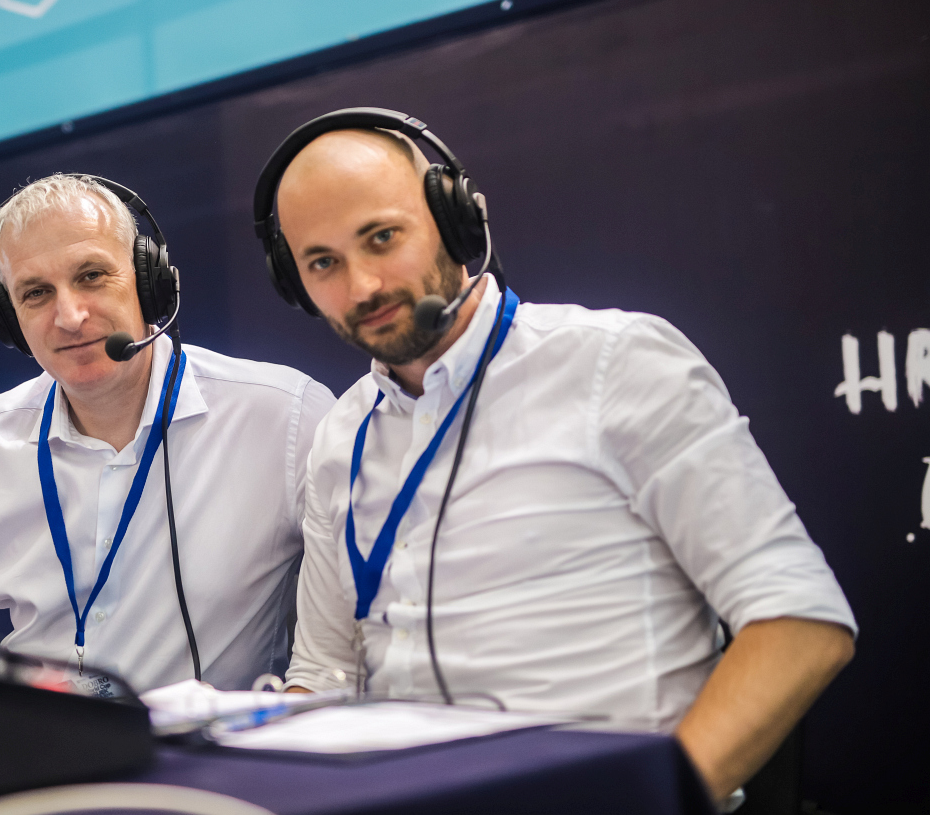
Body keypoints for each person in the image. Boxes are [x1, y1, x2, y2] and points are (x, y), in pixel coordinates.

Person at [254, 109, 855, 804]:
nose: (361, 287)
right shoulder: (342, 436)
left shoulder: (616, 364)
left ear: (455, 221)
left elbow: (800, 620)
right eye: (323, 262)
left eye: (382, 237)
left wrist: (657, 799)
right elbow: (322, 672)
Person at [0, 174, 334, 693]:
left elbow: (343, 633)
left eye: (91, 276)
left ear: (148, 281)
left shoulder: (283, 416)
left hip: (203, 752)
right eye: (35, 293)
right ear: (9, 319)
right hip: (41, 743)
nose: (69, 316)